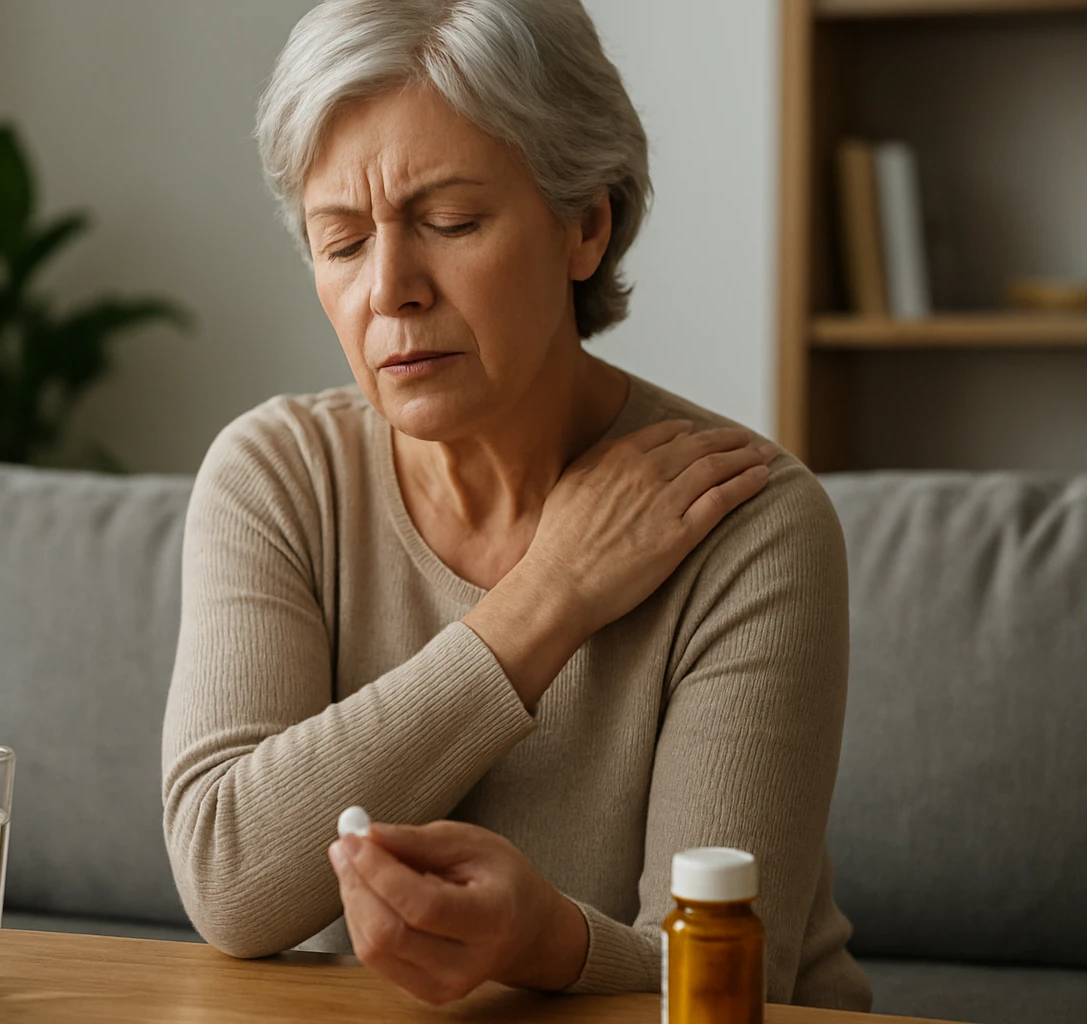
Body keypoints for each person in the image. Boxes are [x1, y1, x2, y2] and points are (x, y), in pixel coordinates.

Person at [161, 0, 872, 1010]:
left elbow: (724, 978)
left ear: (586, 224)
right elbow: (227, 879)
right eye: (343, 241)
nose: (390, 290)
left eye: (450, 223)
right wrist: (548, 598)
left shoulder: (748, 523)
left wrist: (546, 942)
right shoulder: (278, 475)